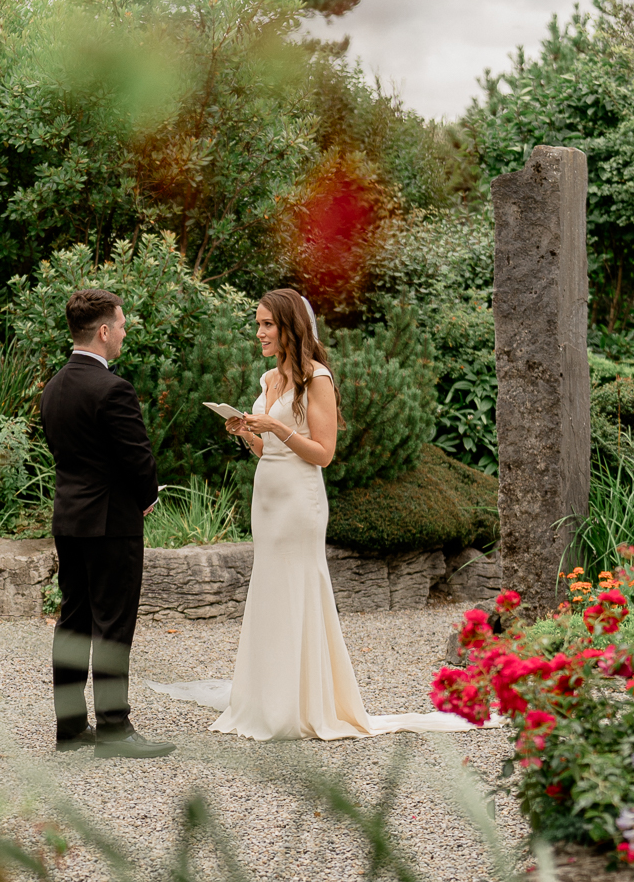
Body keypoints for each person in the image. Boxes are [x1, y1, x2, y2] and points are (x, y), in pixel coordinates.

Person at [148, 288, 473, 740]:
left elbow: (322, 453)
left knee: (297, 587)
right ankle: (269, 696)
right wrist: (246, 432)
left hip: (300, 500)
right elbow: (268, 452)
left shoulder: (317, 377)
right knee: (270, 588)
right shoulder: (268, 379)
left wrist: (278, 425)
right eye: (257, 324)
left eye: (268, 324)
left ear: (290, 328)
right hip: (268, 495)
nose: (259, 332)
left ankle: (301, 703)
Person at [38, 289, 176, 759]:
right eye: (120, 324)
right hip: (111, 522)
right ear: (102, 331)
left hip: (69, 519)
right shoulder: (112, 388)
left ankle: (72, 727)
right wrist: (147, 497)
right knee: (114, 626)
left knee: (73, 623)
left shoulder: (54, 386)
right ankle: (114, 729)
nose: (123, 332)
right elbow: (138, 459)